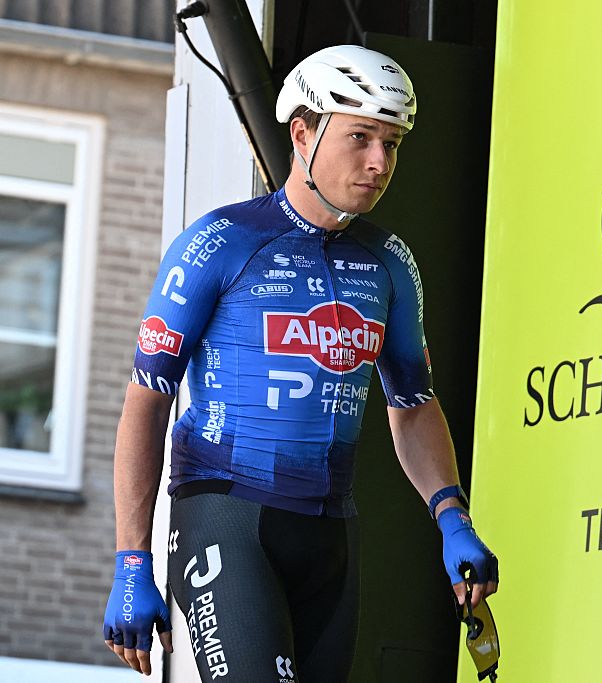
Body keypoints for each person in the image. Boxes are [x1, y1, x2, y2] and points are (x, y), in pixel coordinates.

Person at [101, 45, 498, 681]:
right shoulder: (220, 243)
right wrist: (131, 560)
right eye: (360, 137)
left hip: (331, 531)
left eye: (391, 144)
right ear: (303, 133)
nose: (378, 162)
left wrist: (452, 518)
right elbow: (145, 404)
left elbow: (413, 405)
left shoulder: (390, 264)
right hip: (228, 515)